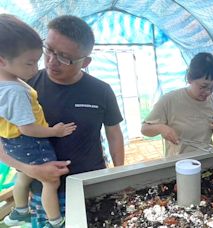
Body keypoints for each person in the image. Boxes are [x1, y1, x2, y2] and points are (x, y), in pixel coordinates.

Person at [0, 15, 125, 227]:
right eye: (48, 50)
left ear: (85, 62)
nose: (51, 61)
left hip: (91, 185)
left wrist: (119, 174)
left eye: (65, 57)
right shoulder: (20, 86)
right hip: (44, 192)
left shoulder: (101, 91)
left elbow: (114, 134)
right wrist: (30, 170)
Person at [0, 14, 76, 228]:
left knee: (23, 174)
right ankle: (56, 221)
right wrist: (55, 131)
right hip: (29, 143)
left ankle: (20, 210)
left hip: (11, 144)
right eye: (30, 63)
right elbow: (28, 128)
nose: (35, 69)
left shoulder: (8, 80)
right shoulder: (14, 91)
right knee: (50, 181)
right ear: (2, 60)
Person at [141, 52, 213, 156]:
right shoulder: (169, 100)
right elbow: (145, 129)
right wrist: (161, 127)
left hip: (206, 159)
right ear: (189, 79)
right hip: (178, 163)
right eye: (203, 87)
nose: (208, 92)